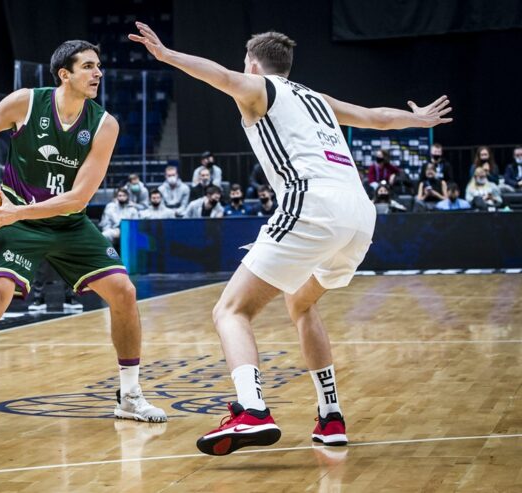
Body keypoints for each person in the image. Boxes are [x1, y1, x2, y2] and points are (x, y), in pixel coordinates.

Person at [130, 23, 452, 455]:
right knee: (300, 301)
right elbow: (377, 118)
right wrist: (418, 119)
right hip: (359, 214)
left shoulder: (259, 87)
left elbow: (220, 77)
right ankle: (331, 415)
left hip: (313, 205)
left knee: (231, 310)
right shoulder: (317, 98)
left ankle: (252, 410)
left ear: (254, 64)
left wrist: (168, 55)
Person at [0, 39, 167, 436]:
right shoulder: (25, 103)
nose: (98, 73)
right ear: (65, 74)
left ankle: (129, 397)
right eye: (89, 67)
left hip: (67, 222)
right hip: (16, 221)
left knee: (124, 292)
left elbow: (78, 197)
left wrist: (17, 211)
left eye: (99, 67)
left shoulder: (104, 124)